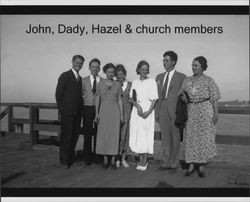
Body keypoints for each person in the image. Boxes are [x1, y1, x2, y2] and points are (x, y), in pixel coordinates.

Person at [179, 56, 220, 177]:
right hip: (191, 110)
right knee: (191, 137)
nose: (193, 67)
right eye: (192, 65)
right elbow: (181, 93)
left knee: (203, 138)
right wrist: (184, 98)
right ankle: (191, 165)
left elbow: (214, 98)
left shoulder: (209, 80)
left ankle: (201, 166)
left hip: (205, 110)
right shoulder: (187, 80)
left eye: (196, 65)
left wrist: (216, 114)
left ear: (202, 67)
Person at [155, 51, 186, 170]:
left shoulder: (182, 77)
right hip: (162, 109)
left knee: (175, 137)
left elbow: (184, 96)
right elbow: (157, 96)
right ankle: (166, 160)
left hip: (174, 111)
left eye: (167, 60)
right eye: (163, 60)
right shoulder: (159, 77)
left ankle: (175, 161)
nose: (164, 62)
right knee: (165, 137)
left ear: (174, 62)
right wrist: (156, 112)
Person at [55, 55, 84, 169]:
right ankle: (64, 161)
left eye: (81, 63)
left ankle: (71, 159)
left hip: (77, 113)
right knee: (66, 137)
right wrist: (61, 111)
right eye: (77, 62)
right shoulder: (65, 75)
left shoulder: (80, 79)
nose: (78, 64)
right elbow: (58, 95)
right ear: (72, 62)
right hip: (67, 113)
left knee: (74, 136)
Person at [94, 63, 124, 170]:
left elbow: (120, 100)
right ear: (105, 72)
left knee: (114, 135)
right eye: (108, 72)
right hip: (103, 111)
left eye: (112, 72)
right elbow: (97, 99)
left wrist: (122, 115)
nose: (110, 74)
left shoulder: (117, 84)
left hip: (115, 111)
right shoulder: (100, 83)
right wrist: (96, 113)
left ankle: (112, 160)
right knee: (103, 135)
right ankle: (105, 159)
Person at [129, 60, 158, 171]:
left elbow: (154, 99)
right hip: (137, 112)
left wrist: (149, 111)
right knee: (138, 135)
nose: (145, 71)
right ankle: (140, 159)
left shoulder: (152, 82)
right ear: (138, 70)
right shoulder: (135, 82)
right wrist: (138, 107)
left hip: (148, 112)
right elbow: (132, 98)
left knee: (146, 135)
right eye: (143, 69)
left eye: (146, 69)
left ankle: (145, 161)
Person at [82, 58, 104, 166]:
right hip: (87, 108)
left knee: (98, 134)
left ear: (99, 68)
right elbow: (80, 95)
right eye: (93, 66)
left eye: (97, 67)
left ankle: (97, 157)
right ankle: (87, 158)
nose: (95, 68)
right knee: (87, 133)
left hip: (99, 109)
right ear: (89, 68)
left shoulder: (103, 81)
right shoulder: (83, 80)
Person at [115, 64, 132, 168]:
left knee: (125, 136)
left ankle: (123, 159)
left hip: (128, 112)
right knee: (116, 136)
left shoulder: (130, 84)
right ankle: (116, 158)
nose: (119, 76)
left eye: (121, 74)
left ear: (125, 74)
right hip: (116, 112)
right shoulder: (114, 84)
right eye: (117, 74)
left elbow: (134, 98)